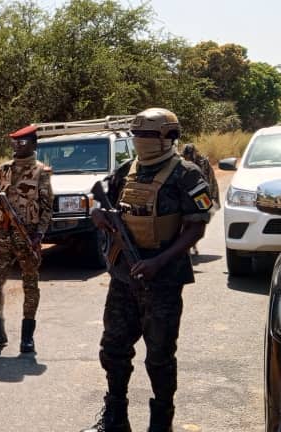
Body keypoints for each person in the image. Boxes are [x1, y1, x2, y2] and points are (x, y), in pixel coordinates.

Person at [82, 108, 210, 432]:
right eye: (136, 134)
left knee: (160, 357)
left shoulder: (187, 174)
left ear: (169, 137)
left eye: (148, 135)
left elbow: (196, 228)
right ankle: (115, 418)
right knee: (113, 349)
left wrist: (159, 262)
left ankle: (161, 421)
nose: (140, 141)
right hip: (124, 276)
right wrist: (98, 214)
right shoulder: (127, 170)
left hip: (162, 278)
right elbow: (101, 200)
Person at [0, 125, 53, 354]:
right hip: (2, 232)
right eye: (14, 142)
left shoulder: (42, 172)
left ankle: (27, 336)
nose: (17, 146)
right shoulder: (3, 169)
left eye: (22, 142)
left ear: (33, 144)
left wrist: (38, 235)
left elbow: (47, 207)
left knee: (30, 284)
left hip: (27, 234)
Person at [181, 143, 219, 256]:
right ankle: (188, 245)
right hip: (187, 195)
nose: (188, 158)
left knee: (200, 219)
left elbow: (210, 179)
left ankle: (192, 243)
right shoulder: (180, 162)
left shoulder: (203, 162)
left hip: (201, 194)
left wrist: (211, 197)